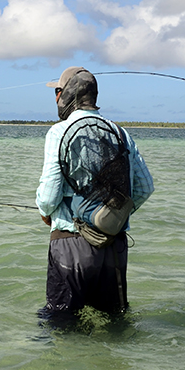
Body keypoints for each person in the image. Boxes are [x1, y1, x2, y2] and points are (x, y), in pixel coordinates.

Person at [35, 66, 154, 324]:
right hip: (114, 247)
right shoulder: (121, 133)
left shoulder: (58, 132)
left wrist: (45, 213)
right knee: (115, 324)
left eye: (58, 91)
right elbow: (145, 188)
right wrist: (110, 215)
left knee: (61, 324)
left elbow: (48, 198)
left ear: (63, 95)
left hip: (70, 246)